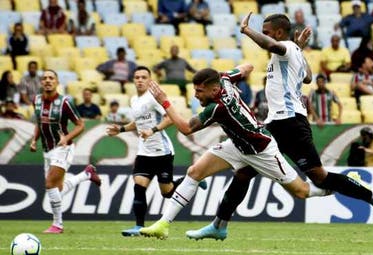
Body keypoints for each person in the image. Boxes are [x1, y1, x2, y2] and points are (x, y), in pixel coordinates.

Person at [185, 13, 373, 241]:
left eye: (267, 31)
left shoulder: (284, 47)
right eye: (262, 32)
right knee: (243, 173)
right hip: (277, 123)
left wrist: (247, 30)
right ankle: (219, 225)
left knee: (318, 177)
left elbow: (273, 45)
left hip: (291, 123)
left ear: (280, 33)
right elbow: (308, 78)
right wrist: (300, 52)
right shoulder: (290, 52)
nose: (264, 36)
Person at [139, 64, 332, 240]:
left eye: (199, 91)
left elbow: (185, 128)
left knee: (302, 191)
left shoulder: (217, 107)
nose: (196, 95)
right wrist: (231, 75)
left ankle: (337, 187)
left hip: (261, 150)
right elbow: (248, 67)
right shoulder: (224, 79)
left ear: (214, 90)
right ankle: (163, 225)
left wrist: (165, 102)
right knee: (194, 172)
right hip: (237, 146)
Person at [106, 66, 206, 236]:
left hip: (162, 151)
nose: (139, 80)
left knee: (167, 193)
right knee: (139, 186)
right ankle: (139, 227)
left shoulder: (153, 98)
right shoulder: (134, 100)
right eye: (137, 77)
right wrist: (121, 129)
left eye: (143, 77)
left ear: (150, 80)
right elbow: (137, 123)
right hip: (144, 152)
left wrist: (153, 130)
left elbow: (170, 118)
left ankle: (190, 180)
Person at [30, 69, 101, 234]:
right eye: (45, 78)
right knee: (57, 190)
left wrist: (66, 138)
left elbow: (80, 125)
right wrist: (34, 140)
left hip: (63, 148)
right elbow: (40, 123)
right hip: (47, 150)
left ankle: (58, 225)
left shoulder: (65, 103)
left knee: (49, 184)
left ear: (57, 82)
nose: (48, 80)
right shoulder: (36, 100)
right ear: (41, 82)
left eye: (51, 78)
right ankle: (87, 174)